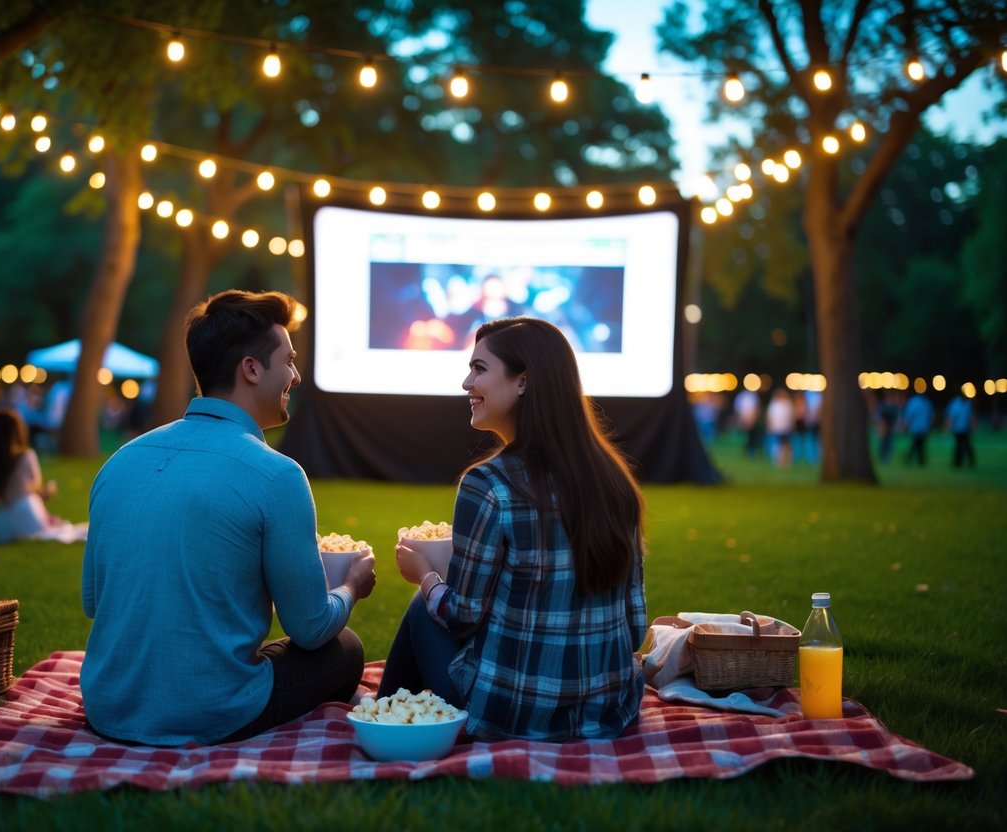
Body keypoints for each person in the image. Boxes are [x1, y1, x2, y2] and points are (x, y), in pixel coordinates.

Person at [81, 290, 376, 746]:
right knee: (346, 649)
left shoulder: (119, 461)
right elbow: (311, 628)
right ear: (252, 369)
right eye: (290, 361)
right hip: (211, 713)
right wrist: (351, 585)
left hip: (108, 705)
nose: (295, 377)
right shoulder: (277, 475)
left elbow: (93, 603)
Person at [379, 317, 647, 741]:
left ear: (522, 382)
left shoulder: (488, 485)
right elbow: (635, 629)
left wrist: (425, 574)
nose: (467, 383)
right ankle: (388, 709)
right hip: (607, 709)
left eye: (479, 369)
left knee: (422, 605)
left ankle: (384, 713)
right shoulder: (615, 481)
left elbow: (462, 617)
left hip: (512, 713)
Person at [0, 407, 87, 543]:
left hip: (2, 522)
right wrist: (48, 493)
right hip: (27, 513)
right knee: (67, 531)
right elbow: (35, 492)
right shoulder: (26, 456)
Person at [901, 390, 934, 466]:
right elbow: (931, 415)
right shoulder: (926, 402)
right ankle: (920, 461)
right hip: (924, 427)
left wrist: (904, 426)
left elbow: (909, 415)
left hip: (915, 427)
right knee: (920, 445)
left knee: (916, 444)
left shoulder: (913, 402)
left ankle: (911, 459)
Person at [764, 388, 795, 467]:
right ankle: (778, 461)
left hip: (785, 428)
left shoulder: (787, 403)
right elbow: (770, 416)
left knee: (786, 444)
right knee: (777, 444)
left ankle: (786, 461)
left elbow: (791, 416)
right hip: (776, 428)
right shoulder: (774, 404)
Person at [944, 394, 976, 468]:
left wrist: (972, 426)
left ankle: (966, 461)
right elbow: (951, 417)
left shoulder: (966, 404)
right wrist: (948, 427)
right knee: (960, 446)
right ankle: (958, 462)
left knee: (966, 446)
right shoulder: (956, 404)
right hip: (958, 429)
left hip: (965, 429)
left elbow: (971, 416)